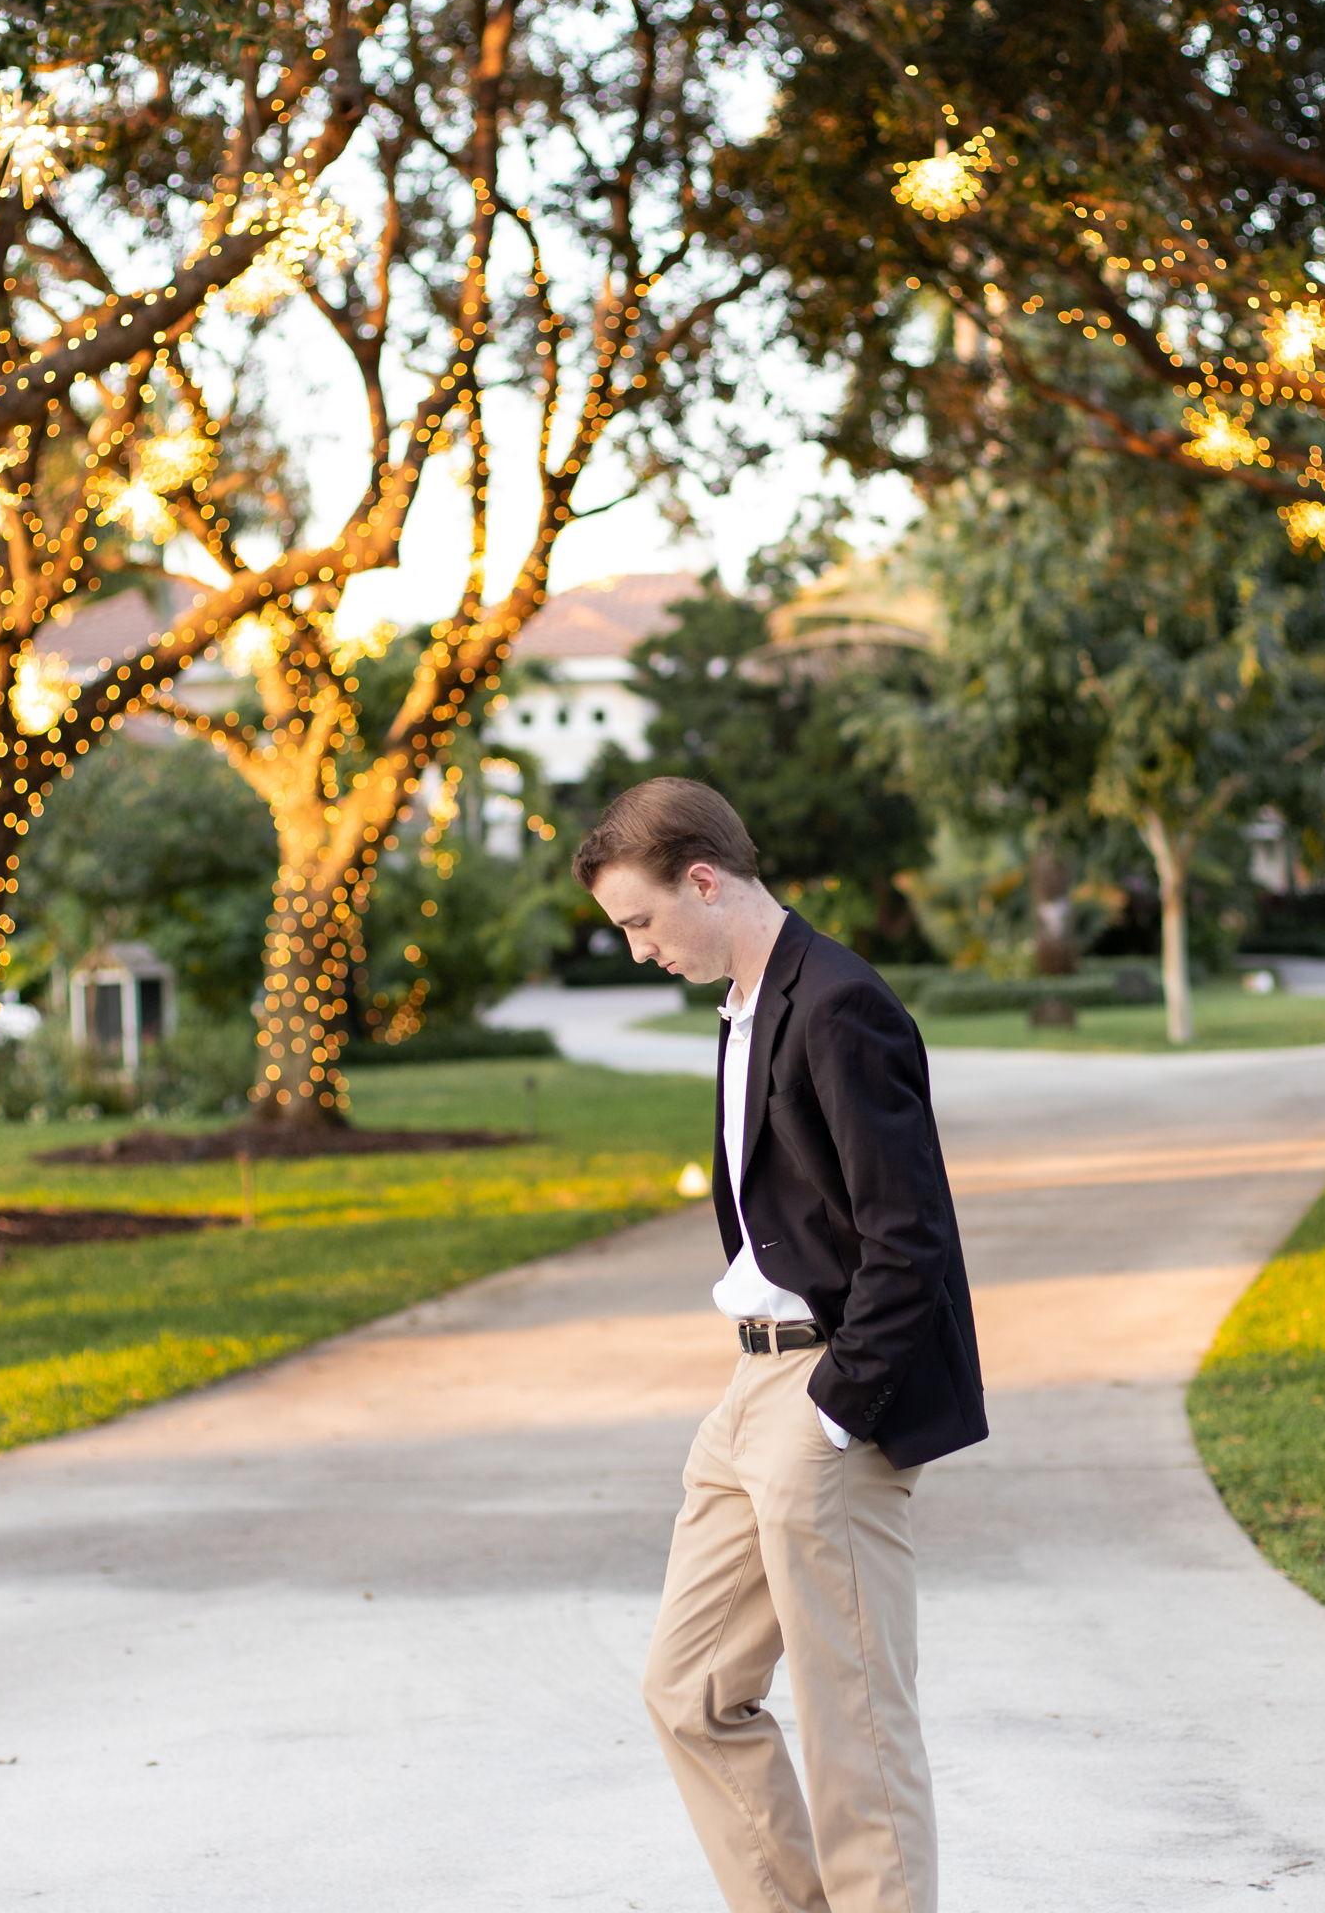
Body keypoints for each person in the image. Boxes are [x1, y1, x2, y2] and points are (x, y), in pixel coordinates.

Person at [572, 775, 987, 1913]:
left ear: (701, 879)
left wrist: (835, 1407)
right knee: (689, 1688)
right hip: (746, 1383)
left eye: (641, 921)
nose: (638, 949)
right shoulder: (750, 1003)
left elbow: (910, 1239)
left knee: (854, 1723)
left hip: (823, 1388)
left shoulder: (839, 1002)